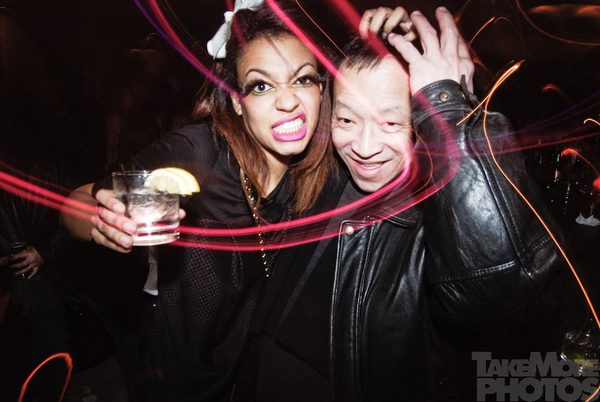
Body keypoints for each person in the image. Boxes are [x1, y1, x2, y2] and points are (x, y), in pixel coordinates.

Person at [232, 6, 568, 401]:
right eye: (347, 120)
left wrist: (451, 108)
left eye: (391, 122)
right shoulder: (321, 172)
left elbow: (507, 291)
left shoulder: (438, 220)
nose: (364, 147)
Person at [61, 1, 334, 400]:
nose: (288, 101)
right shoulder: (198, 152)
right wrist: (101, 220)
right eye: (261, 85)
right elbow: (76, 203)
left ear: (321, 88)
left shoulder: (318, 171)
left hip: (241, 377)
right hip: (170, 378)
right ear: (237, 100)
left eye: (303, 79)